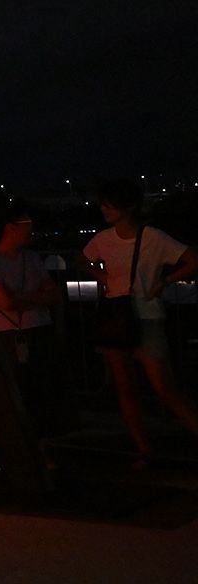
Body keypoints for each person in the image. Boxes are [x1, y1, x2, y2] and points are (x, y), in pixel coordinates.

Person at [78, 178, 198, 468]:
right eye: (103, 203)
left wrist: (164, 281)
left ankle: (148, 449)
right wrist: (104, 278)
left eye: (110, 203)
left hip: (144, 317)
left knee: (163, 387)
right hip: (120, 317)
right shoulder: (103, 239)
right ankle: (143, 449)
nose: (104, 208)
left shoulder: (153, 237)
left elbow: (192, 259)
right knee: (126, 387)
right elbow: (83, 260)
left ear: (128, 206)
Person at [0, 202, 64, 473]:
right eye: (26, 225)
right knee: (8, 394)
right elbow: (4, 302)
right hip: (9, 335)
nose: (31, 230)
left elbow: (53, 294)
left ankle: (36, 452)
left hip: (36, 331)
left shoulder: (31, 258)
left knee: (40, 396)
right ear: (10, 228)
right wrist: (35, 299)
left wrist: (20, 299)